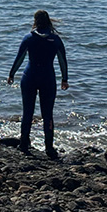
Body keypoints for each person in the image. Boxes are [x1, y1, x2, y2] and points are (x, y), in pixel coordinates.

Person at [7, 10, 70, 159]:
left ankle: (23, 144)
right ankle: (49, 148)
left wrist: (11, 74)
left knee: (27, 112)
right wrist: (64, 79)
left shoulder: (29, 38)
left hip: (29, 77)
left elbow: (20, 58)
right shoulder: (55, 39)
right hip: (48, 78)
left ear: (35, 21)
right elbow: (62, 60)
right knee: (48, 114)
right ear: (49, 21)